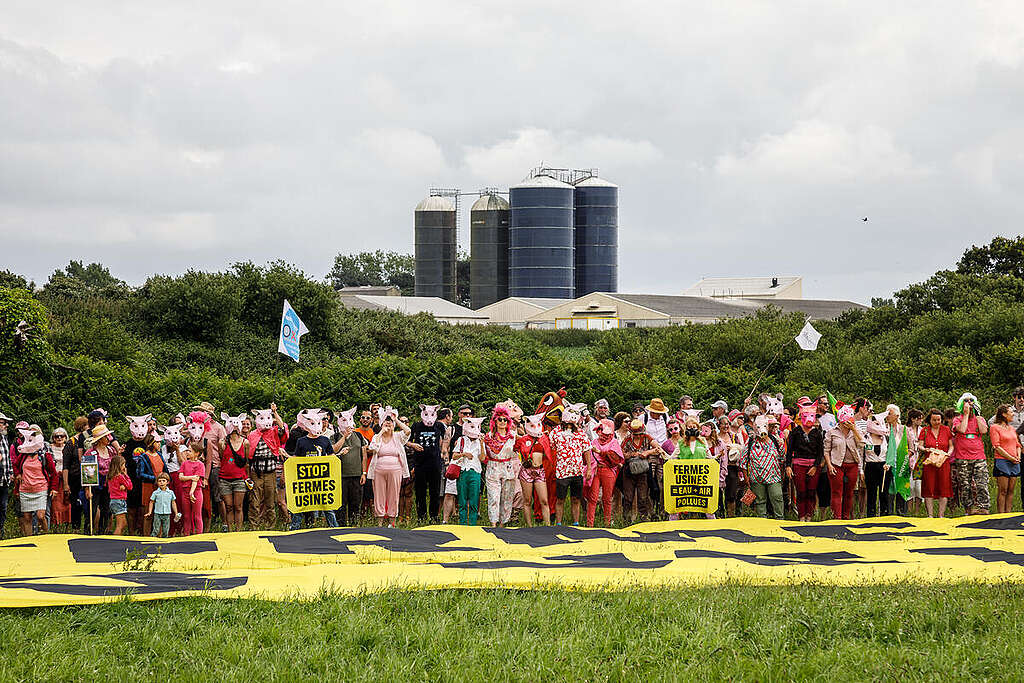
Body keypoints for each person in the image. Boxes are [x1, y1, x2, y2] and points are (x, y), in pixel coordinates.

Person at [365, 409, 411, 527]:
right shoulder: (377, 436)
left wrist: (396, 419)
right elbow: (372, 447)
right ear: (381, 425)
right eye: (385, 422)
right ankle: (380, 522)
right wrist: (381, 433)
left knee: (393, 495)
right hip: (378, 470)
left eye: (390, 423)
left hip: (395, 470)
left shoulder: (398, 436)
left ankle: (392, 522)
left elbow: (408, 431)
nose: (388, 424)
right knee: (379, 495)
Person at [548, 406, 592, 526]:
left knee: (576, 499)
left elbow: (587, 450)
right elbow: (551, 449)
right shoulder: (555, 432)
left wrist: (588, 468)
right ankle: (558, 524)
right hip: (562, 472)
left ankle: (576, 523)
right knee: (560, 499)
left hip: (577, 471)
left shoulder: (580, 433)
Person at [247, 405, 288, 528]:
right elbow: (248, 455)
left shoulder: (274, 432)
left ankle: (270, 525)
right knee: (254, 500)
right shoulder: (252, 434)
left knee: (270, 500)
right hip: (256, 472)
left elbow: (283, 428)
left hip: (270, 472)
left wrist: (275, 412)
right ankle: (254, 525)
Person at [13, 426, 57, 536]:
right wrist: (18, 474)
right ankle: (30, 540)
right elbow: (15, 465)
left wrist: (54, 488)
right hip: (25, 489)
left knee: (41, 515)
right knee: (27, 517)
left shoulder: (44, 456)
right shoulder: (23, 456)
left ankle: (45, 537)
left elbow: (54, 473)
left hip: (41, 488)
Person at [951, 393, 990, 515]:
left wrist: (977, 415)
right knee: (965, 485)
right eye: (966, 401)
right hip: (962, 457)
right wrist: (966, 414)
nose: (969, 403)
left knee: (981, 483)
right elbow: (962, 430)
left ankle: (984, 507)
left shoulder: (980, 418)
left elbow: (984, 430)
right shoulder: (957, 419)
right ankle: (968, 509)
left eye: (971, 401)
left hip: (978, 456)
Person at [823, 406, 864, 520]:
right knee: (836, 492)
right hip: (836, 465)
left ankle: (846, 517)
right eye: (845, 420)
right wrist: (829, 465)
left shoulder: (855, 431)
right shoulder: (832, 432)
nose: (847, 423)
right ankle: (837, 517)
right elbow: (826, 450)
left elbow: (862, 444)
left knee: (849, 492)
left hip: (852, 465)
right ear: (840, 420)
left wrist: (854, 429)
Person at [741, 417, 785, 519]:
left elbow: (782, 458)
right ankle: (762, 523)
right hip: (756, 478)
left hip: (774, 476)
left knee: (777, 497)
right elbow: (743, 461)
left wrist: (782, 474)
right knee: (760, 501)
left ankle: (780, 520)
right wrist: (746, 478)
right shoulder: (751, 441)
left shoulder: (775, 440)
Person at [409, 405, 446, 522]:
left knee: (435, 492)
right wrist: (413, 445)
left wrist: (444, 452)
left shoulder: (439, 425)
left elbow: (446, 439)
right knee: (420, 492)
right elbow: (406, 440)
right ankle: (421, 517)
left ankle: (434, 517)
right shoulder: (416, 426)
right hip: (420, 463)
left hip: (435, 463)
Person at [481, 405, 518, 527]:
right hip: (493, 467)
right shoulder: (489, 436)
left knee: (507, 498)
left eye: (505, 420)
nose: (502, 422)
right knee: (494, 497)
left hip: (508, 467)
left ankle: (503, 524)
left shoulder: (513, 435)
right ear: (495, 421)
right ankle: (493, 524)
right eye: (500, 419)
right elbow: (483, 456)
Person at [853, 398, 890, 517]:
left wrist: (889, 463)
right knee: (871, 493)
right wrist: (861, 470)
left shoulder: (887, 439)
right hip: (870, 466)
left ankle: (884, 515)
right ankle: (871, 515)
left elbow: (891, 452)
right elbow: (860, 452)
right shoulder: (866, 437)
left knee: (884, 493)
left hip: (884, 467)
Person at [620, 419, 660, 524]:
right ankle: (626, 519)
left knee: (643, 496)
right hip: (629, 470)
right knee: (628, 496)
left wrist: (647, 452)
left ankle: (644, 518)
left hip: (643, 471)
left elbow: (658, 448)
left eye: (639, 434)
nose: (637, 436)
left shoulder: (646, 437)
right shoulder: (627, 439)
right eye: (635, 434)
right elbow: (620, 453)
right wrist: (630, 454)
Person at [586, 418, 623, 527]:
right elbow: (590, 456)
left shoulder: (614, 442)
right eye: (600, 429)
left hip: (608, 471)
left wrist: (600, 452)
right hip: (596, 470)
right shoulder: (594, 441)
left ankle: (607, 524)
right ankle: (590, 524)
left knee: (607, 498)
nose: (601, 432)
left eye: (603, 429)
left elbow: (615, 458)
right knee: (592, 498)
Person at [918, 408, 953, 518]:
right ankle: (930, 515)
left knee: (944, 487)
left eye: (939, 420)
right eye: (934, 420)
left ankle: (941, 515)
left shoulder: (946, 430)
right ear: (930, 420)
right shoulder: (925, 430)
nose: (937, 422)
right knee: (929, 486)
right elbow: (920, 445)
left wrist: (948, 454)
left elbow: (951, 445)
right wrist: (924, 449)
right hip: (929, 462)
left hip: (943, 462)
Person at [517, 414, 551, 527]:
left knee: (544, 500)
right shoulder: (523, 439)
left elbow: (550, 450)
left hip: (539, 471)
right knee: (527, 500)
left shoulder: (544, 438)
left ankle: (548, 525)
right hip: (527, 471)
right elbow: (515, 449)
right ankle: (529, 526)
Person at [82, 423, 116, 534]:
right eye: (106, 436)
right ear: (100, 439)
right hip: (95, 483)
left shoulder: (111, 450)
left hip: (108, 484)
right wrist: (87, 489)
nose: (109, 438)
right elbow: (86, 471)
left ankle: (103, 531)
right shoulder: (90, 453)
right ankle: (88, 531)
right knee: (92, 508)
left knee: (106, 509)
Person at [335, 407, 367, 526]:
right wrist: (344, 437)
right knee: (341, 503)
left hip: (356, 475)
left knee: (355, 503)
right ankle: (341, 527)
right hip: (340, 476)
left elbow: (363, 455)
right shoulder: (336, 436)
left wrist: (364, 473)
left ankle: (354, 526)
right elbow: (332, 450)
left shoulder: (358, 436)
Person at [451, 417, 484, 525]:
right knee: (462, 498)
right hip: (463, 471)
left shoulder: (480, 441)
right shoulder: (461, 440)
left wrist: (483, 444)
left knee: (474, 498)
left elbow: (483, 458)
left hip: (475, 472)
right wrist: (464, 454)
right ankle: (463, 523)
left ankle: (473, 523)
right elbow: (454, 456)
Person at [219, 418, 250, 532]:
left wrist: (247, 477)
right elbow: (222, 457)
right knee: (229, 506)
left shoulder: (245, 442)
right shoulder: (222, 442)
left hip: (239, 479)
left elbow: (246, 461)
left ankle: (239, 531)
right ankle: (231, 531)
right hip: (224, 479)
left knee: (238, 506)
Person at [990, 404, 1021, 514]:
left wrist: (1017, 457)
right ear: (1003, 414)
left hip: (1014, 462)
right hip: (1002, 461)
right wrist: (1010, 458)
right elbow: (996, 446)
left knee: (1011, 490)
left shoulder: (1012, 428)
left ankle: (1008, 514)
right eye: (1011, 412)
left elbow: (1017, 444)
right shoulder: (994, 427)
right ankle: (1001, 515)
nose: (1013, 414)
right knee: (1003, 490)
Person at [882, 405, 913, 515]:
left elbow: (911, 448)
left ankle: (901, 512)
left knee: (901, 487)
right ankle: (888, 513)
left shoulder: (905, 429)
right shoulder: (883, 428)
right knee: (889, 489)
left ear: (897, 416)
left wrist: (905, 457)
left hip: (902, 464)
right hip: (888, 464)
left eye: (889, 413)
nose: (887, 416)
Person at [61, 416, 88, 532]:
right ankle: (76, 529)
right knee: (76, 504)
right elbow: (65, 465)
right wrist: (66, 484)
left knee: (88, 504)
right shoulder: (71, 443)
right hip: (74, 478)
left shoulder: (89, 441)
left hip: (88, 477)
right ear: (82, 427)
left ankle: (89, 529)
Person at [178, 440, 206, 535]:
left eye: (190, 451)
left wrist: (191, 492)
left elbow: (196, 479)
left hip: (196, 491)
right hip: (185, 491)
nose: (187, 453)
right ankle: (186, 535)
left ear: (196, 453)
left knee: (197, 516)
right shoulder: (184, 464)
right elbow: (181, 477)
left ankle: (199, 535)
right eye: (187, 450)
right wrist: (191, 477)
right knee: (186, 516)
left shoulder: (200, 465)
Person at [145, 471, 181, 538]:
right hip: (157, 514)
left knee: (166, 530)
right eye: (159, 481)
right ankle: (152, 539)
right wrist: (150, 512)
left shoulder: (170, 492)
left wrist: (176, 513)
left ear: (167, 482)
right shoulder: (155, 493)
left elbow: (173, 502)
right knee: (156, 529)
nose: (161, 482)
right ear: (157, 483)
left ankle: (164, 542)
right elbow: (151, 502)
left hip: (167, 514)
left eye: (163, 481)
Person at [49, 428, 70, 528]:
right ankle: (56, 525)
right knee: (55, 504)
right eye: (57, 436)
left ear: (66, 437)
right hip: (55, 479)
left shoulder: (68, 448)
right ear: (53, 438)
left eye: (62, 436)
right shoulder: (50, 448)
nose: (59, 438)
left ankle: (67, 525)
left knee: (67, 503)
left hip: (66, 479)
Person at [106, 454, 132, 535]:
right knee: (120, 525)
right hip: (119, 501)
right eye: (123, 464)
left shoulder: (111, 476)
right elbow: (130, 486)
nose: (125, 466)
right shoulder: (120, 476)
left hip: (114, 500)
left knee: (124, 524)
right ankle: (116, 540)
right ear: (119, 465)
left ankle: (119, 537)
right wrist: (126, 475)